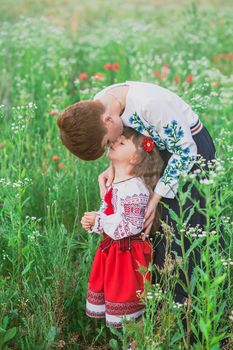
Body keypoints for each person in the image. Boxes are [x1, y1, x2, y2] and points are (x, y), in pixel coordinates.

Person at [57, 80, 223, 303]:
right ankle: (158, 300)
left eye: (108, 142)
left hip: (190, 154)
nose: (112, 143)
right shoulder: (99, 106)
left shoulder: (148, 104)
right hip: (153, 153)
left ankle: (188, 304)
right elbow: (126, 134)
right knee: (150, 227)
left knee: (183, 226)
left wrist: (156, 197)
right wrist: (112, 167)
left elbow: (185, 150)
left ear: (108, 120)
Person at [80, 127, 164, 328]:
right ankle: (125, 336)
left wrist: (99, 220)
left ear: (135, 159)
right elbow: (110, 211)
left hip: (127, 252)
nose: (114, 142)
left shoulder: (134, 187)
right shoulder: (116, 182)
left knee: (125, 293)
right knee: (112, 288)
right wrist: (95, 222)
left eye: (122, 142)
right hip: (114, 249)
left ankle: (134, 336)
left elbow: (132, 225)